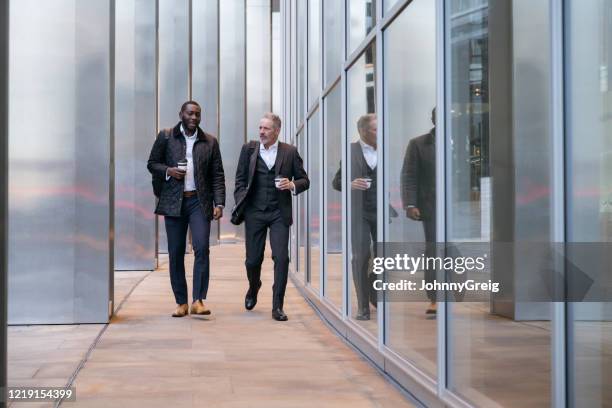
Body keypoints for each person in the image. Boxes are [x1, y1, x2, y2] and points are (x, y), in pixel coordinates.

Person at [147, 101, 226, 318]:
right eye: (190, 113)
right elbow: (152, 163)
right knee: (176, 252)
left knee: (202, 248)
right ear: (181, 114)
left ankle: (198, 301)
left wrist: (219, 203)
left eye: (197, 114)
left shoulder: (210, 141)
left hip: (199, 202)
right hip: (174, 201)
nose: (194, 117)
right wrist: (169, 171)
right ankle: (181, 302)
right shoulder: (166, 136)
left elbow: (217, 174)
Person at [232, 113, 309, 321]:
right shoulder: (249, 149)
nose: (261, 132)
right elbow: (239, 179)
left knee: (281, 258)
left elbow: (304, 180)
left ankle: (277, 306)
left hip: (278, 213)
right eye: (260, 128)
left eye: (266, 129)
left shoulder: (290, 152)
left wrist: (292, 185)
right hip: (254, 212)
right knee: (252, 260)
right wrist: (242, 200)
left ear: (276, 131)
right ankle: (254, 286)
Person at [332, 114, 387, 321]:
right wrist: (350, 184)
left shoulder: (384, 149)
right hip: (359, 213)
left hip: (380, 211)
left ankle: (375, 291)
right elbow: (336, 182)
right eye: (375, 130)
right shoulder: (350, 151)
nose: (379, 133)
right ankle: (363, 306)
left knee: (383, 257)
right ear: (363, 131)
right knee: (360, 257)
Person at [401, 108, 437, 314]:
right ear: (433, 119)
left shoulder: (463, 139)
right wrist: (410, 204)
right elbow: (409, 175)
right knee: (434, 250)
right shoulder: (418, 144)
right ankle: (434, 297)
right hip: (431, 206)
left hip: (462, 205)